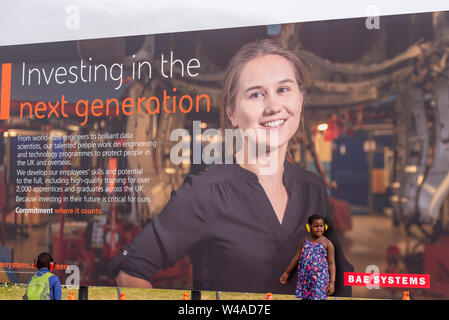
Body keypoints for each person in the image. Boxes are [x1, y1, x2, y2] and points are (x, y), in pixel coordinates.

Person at [107, 39, 353, 295]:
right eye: (256, 94)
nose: (273, 107)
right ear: (232, 113)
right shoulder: (204, 193)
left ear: (300, 99)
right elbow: (130, 270)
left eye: (283, 89)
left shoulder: (311, 188)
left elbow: (337, 275)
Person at [280, 214, 336, 300]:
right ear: (309, 227)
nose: (319, 228)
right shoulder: (304, 241)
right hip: (305, 278)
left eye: (321, 226)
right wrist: (287, 272)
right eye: (315, 226)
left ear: (325, 227)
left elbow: (331, 263)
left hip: (319, 279)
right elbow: (296, 257)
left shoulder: (327, 243)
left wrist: (332, 282)